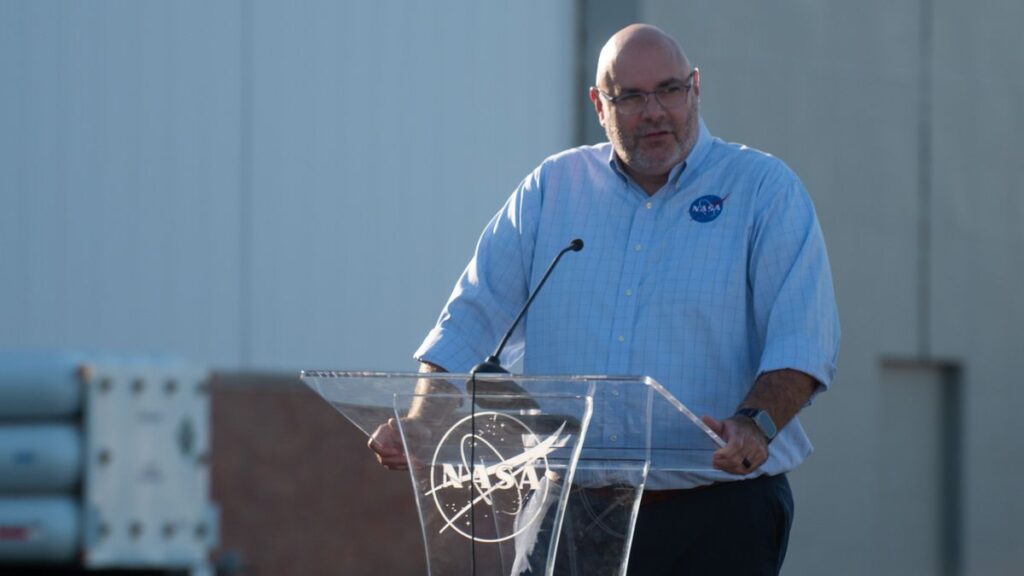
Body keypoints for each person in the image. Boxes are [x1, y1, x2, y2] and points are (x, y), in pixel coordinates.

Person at [371, 23, 840, 575]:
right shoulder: (551, 190)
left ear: (696, 88)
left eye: (669, 90)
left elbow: (802, 341)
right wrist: (427, 416)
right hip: (569, 510)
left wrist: (753, 425)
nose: (655, 112)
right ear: (599, 103)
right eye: (632, 97)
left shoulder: (763, 190)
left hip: (714, 513)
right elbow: (470, 316)